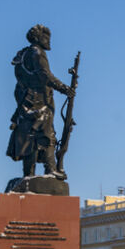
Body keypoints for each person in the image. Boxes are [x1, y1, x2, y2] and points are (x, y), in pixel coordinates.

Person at [6, 24, 75, 179]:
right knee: (47, 135)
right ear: (37, 38)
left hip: (26, 102)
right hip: (39, 102)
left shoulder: (23, 55)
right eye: (46, 37)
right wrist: (64, 88)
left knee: (30, 140)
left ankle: (28, 175)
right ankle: (51, 169)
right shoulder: (37, 53)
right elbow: (44, 75)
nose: (49, 41)